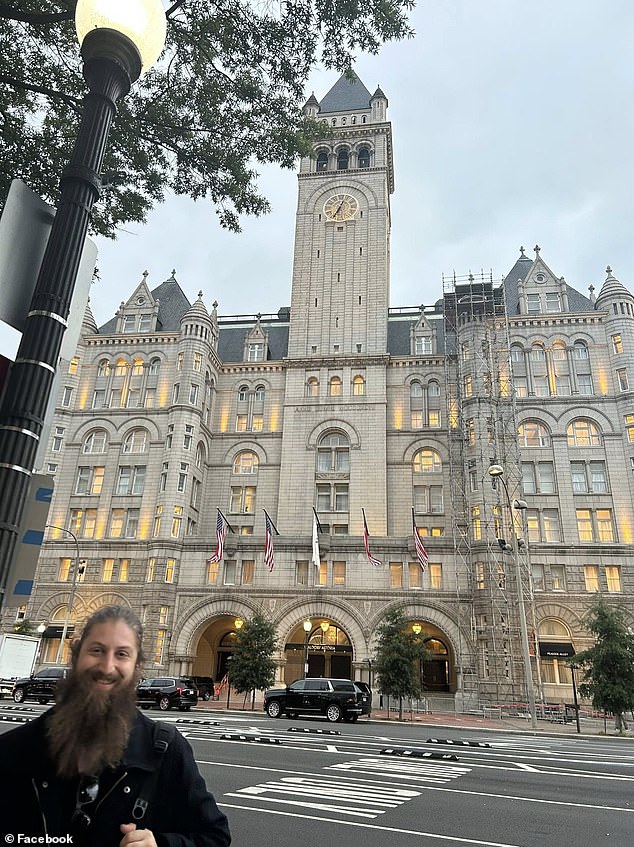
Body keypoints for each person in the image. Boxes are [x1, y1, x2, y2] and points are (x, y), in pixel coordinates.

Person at [0, 605, 231, 846]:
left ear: (136, 667)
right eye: (97, 650)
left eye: (122, 654)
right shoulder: (16, 750)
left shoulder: (164, 750)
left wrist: (160, 844)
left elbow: (215, 837)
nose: (107, 667)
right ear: (76, 655)